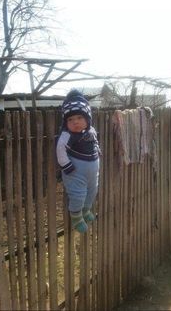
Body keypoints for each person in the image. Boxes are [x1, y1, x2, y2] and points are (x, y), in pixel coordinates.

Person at [56, 89, 100, 233]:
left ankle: (86, 211)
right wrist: (66, 166)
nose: (75, 122)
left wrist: (97, 151)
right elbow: (60, 150)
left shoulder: (91, 130)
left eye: (79, 118)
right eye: (70, 119)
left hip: (92, 173)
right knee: (78, 196)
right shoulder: (67, 135)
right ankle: (76, 218)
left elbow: (95, 142)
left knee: (92, 192)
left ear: (87, 119)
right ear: (66, 122)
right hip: (75, 173)